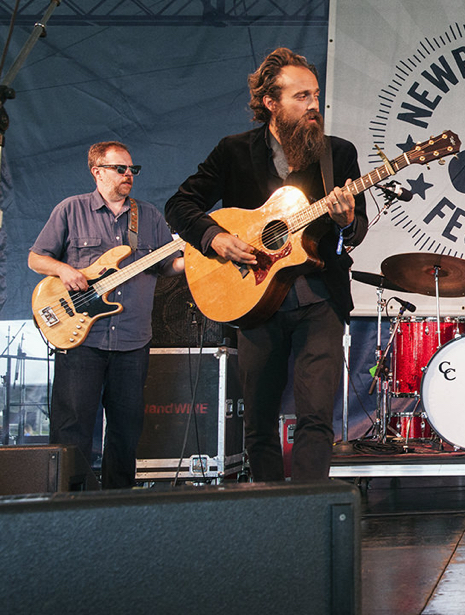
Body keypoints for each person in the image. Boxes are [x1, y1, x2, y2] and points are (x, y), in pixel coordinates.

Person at [164, 47, 367, 483]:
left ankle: (311, 513)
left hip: (320, 298)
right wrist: (215, 237)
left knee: (316, 416)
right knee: (258, 421)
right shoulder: (234, 151)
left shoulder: (338, 154)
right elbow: (180, 204)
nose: (314, 105)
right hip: (253, 300)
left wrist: (347, 221)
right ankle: (271, 514)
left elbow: (357, 229)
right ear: (270, 103)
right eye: (301, 97)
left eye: (315, 95)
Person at [28, 141, 184, 488]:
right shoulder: (71, 209)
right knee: (73, 429)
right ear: (97, 171)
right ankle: (69, 505)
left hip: (132, 340)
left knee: (126, 431)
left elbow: (166, 265)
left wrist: (192, 257)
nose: (129, 175)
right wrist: (65, 271)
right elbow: (36, 258)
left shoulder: (149, 216)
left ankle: (118, 506)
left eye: (132, 170)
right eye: (121, 169)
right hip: (82, 338)